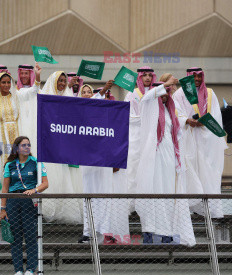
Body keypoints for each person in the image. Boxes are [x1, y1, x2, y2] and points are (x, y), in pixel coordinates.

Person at [0, 64, 41, 215]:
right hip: (0, 137)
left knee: (19, 168)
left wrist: (37, 76)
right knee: (1, 169)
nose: (6, 85)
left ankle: (19, 200)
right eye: (3, 82)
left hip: (16, 136)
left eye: (8, 82)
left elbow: (33, 92)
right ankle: (2, 203)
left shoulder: (16, 95)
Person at [135, 77, 195, 246]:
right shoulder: (149, 108)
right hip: (152, 158)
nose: (163, 95)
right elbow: (146, 98)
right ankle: (149, 230)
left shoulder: (170, 112)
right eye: (160, 92)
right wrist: (165, 85)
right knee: (151, 193)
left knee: (168, 193)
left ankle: (167, 232)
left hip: (169, 159)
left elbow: (177, 136)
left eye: (166, 93)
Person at [79, 80, 130, 244]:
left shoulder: (107, 116)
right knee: (89, 195)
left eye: (89, 92)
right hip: (87, 160)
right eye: (84, 92)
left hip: (105, 160)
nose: (87, 94)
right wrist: (102, 92)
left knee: (105, 195)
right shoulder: (77, 115)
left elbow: (116, 137)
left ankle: (106, 231)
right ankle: (88, 232)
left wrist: (115, 160)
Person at [28, 71, 83, 224]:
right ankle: (46, 210)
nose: (62, 83)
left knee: (65, 174)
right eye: (59, 81)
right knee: (51, 175)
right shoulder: (45, 97)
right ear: (53, 81)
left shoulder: (69, 97)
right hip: (49, 143)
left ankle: (62, 209)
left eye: (64, 81)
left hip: (64, 142)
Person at [173, 67, 227, 219]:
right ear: (189, 77)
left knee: (209, 172)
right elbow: (177, 113)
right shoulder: (180, 93)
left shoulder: (210, 93)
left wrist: (203, 124)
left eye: (199, 77)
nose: (197, 79)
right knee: (191, 170)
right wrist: (188, 121)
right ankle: (192, 206)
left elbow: (216, 116)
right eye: (194, 77)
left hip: (207, 139)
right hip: (188, 137)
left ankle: (209, 208)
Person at [0, 136, 48, 275]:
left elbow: (45, 184)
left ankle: (31, 269)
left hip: (28, 201)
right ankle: (18, 270)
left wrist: (35, 190)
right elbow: (5, 188)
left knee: (31, 236)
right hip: (13, 202)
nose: (27, 147)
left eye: (29, 145)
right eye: (23, 145)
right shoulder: (9, 165)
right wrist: (3, 208)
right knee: (15, 238)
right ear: (16, 148)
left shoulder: (36, 163)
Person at [124, 67, 156, 196]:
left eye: (150, 75)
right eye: (144, 75)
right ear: (140, 77)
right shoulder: (132, 93)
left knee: (150, 169)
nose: (147, 78)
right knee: (133, 169)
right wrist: (146, 119)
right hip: (135, 137)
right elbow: (127, 116)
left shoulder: (156, 92)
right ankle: (131, 203)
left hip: (152, 136)